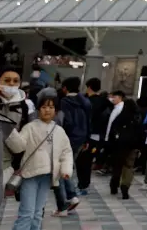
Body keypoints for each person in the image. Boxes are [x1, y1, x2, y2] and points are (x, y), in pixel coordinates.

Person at [5, 94, 73, 230]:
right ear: (38, 109)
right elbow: (18, 146)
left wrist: (66, 170)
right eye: (44, 107)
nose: (47, 110)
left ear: (56, 110)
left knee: (37, 213)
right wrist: (10, 132)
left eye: (51, 107)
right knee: (27, 213)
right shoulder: (30, 127)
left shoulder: (59, 131)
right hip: (30, 175)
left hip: (48, 176)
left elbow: (66, 152)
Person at [58, 76, 90, 212]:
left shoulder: (65, 102)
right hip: (81, 138)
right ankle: (69, 197)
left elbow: (67, 121)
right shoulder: (85, 101)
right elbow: (89, 121)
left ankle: (70, 196)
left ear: (65, 88)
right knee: (67, 166)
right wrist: (87, 138)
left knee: (61, 168)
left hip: (68, 138)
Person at [77, 78, 111, 192]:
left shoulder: (87, 101)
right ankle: (83, 184)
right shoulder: (105, 101)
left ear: (89, 87)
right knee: (87, 160)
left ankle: (83, 184)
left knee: (82, 161)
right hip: (99, 135)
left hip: (87, 134)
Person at [0, 66, 30, 180]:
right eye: (6, 80)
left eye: (15, 81)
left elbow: (23, 131)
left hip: (7, 161)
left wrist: (16, 163)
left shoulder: (23, 106)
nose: (11, 84)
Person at [108, 99, 141, 199]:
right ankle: (125, 186)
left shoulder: (120, 117)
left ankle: (114, 185)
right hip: (131, 146)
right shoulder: (136, 118)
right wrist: (139, 147)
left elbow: (112, 132)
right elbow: (140, 134)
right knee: (128, 166)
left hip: (118, 146)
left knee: (117, 166)